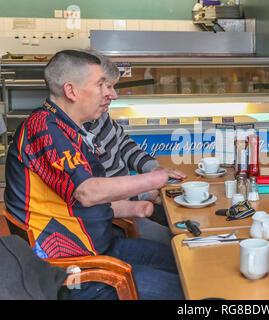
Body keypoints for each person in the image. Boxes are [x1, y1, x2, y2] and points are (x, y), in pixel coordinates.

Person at [4, 50, 184, 300]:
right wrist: (155, 178)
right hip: (76, 270)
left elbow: (68, 204)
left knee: (185, 262)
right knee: (187, 290)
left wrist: (133, 209)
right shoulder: (44, 128)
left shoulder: (70, 128)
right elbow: (87, 193)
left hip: (100, 247)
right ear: (72, 91)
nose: (112, 93)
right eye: (102, 85)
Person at [80, 50, 186, 244]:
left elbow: (123, 143)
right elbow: (96, 195)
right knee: (182, 243)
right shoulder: (75, 133)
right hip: (117, 219)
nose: (114, 95)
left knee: (187, 217)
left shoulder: (99, 114)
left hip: (131, 201)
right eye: (107, 87)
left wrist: (153, 168)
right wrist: (146, 192)